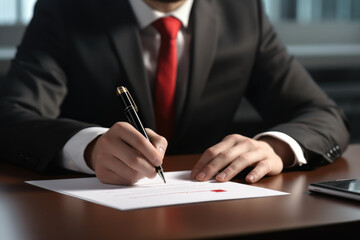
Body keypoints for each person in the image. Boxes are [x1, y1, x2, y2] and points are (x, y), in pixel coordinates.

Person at [0, 0, 350, 185]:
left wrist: (274, 147)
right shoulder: (65, 9)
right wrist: (89, 148)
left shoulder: (243, 12)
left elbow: (323, 115)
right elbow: (11, 116)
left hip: (214, 214)